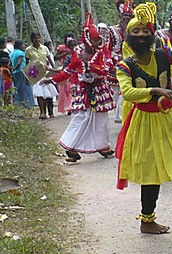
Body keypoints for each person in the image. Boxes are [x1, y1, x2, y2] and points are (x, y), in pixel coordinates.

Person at [114, 2, 172, 235]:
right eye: (136, 32)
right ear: (129, 36)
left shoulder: (164, 54)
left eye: (145, 31)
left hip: (169, 118)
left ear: (152, 34)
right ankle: (147, 221)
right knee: (150, 173)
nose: (142, 36)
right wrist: (155, 91)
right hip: (143, 121)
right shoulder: (125, 66)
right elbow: (128, 93)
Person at [41, 14, 115, 162]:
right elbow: (69, 70)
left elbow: (106, 69)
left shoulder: (102, 50)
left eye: (98, 39)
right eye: (95, 39)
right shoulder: (78, 52)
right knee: (81, 118)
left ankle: (103, 147)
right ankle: (71, 147)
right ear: (87, 38)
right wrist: (52, 80)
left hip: (99, 89)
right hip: (83, 90)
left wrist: (89, 65)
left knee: (100, 119)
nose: (97, 42)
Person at [26, 32, 57, 118]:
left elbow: (49, 59)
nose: (37, 40)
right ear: (32, 39)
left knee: (49, 92)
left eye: (38, 38)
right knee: (40, 93)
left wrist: (54, 70)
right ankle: (42, 112)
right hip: (35, 73)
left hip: (45, 72)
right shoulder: (28, 50)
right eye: (35, 38)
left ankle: (51, 112)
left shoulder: (44, 48)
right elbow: (27, 62)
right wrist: (27, 76)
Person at [9, 39, 33, 109]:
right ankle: (26, 105)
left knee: (17, 88)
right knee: (24, 88)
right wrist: (16, 68)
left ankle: (17, 104)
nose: (24, 46)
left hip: (15, 73)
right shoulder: (21, 53)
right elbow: (20, 63)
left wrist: (12, 70)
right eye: (23, 45)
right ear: (19, 46)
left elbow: (9, 64)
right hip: (22, 72)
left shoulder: (11, 54)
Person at [55, 37, 76, 115]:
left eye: (75, 45)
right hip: (69, 76)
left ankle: (71, 107)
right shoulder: (69, 57)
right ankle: (69, 107)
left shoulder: (81, 55)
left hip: (77, 77)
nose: (74, 47)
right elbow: (64, 68)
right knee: (67, 91)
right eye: (72, 46)